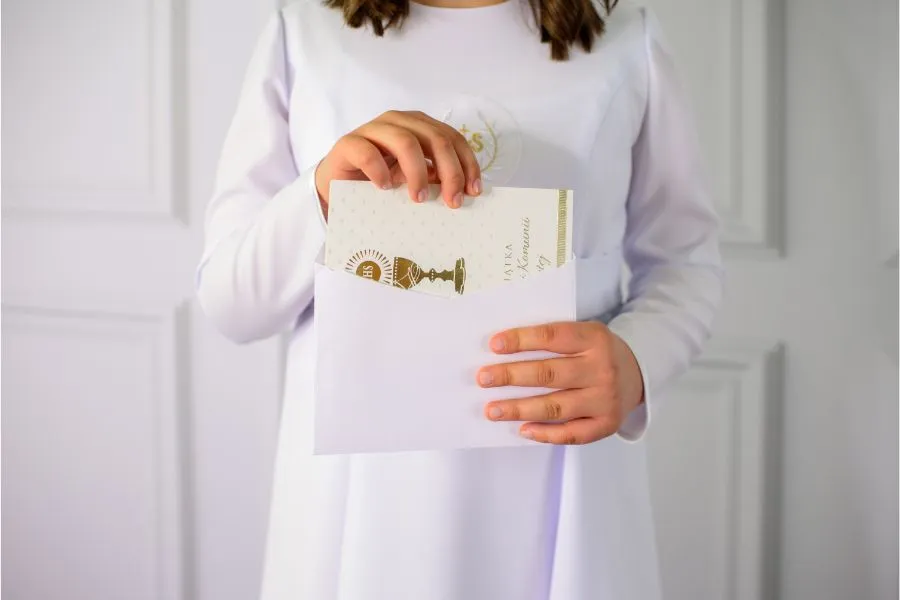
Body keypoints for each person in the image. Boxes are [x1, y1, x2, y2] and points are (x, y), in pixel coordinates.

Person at [196, 0, 723, 598]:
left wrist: (635, 362)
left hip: (563, 479)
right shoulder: (304, 35)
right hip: (359, 503)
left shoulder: (627, 37)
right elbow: (230, 302)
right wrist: (322, 194)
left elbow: (687, 264)